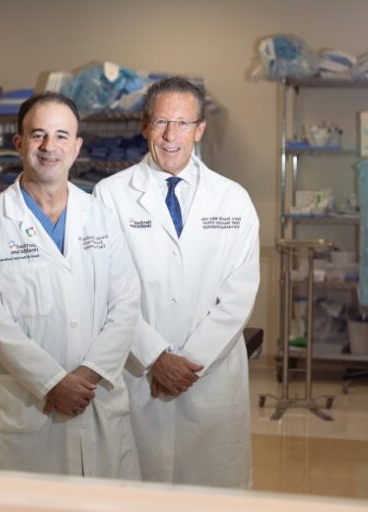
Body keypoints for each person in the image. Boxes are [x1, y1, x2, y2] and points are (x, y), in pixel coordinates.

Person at [0, 92, 141, 479]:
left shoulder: (101, 218)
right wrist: (52, 382)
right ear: (19, 143)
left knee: (105, 501)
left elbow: (126, 304)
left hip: (96, 396)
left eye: (61, 136)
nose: (49, 146)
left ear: (76, 147)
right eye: (38, 134)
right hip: (30, 404)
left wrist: (88, 375)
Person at [93, 77, 260, 488]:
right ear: (144, 125)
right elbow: (104, 288)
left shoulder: (233, 199)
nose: (171, 136)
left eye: (183, 123)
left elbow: (239, 295)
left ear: (200, 130)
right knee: (136, 490)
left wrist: (191, 363)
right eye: (162, 122)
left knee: (211, 491)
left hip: (210, 376)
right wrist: (156, 358)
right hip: (138, 373)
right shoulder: (109, 196)